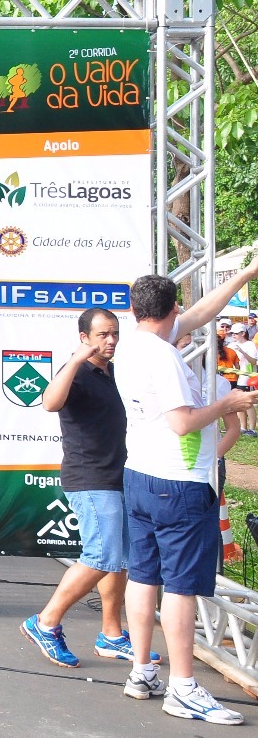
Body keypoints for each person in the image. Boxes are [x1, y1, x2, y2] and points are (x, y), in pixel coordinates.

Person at [116, 265, 258, 724]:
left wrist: (247, 273)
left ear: (135, 309)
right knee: (180, 586)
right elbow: (182, 422)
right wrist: (227, 404)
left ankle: (141, 671)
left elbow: (202, 312)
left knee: (144, 576)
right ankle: (183, 686)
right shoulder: (163, 356)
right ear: (171, 309)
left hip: (140, 474)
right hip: (178, 482)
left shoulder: (132, 343)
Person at [22, 307, 159, 670]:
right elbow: (49, 402)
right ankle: (45, 622)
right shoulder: (77, 371)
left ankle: (111, 635)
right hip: (90, 478)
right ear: (84, 338)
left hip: (122, 475)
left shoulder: (115, 371)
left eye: (114, 333)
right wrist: (76, 359)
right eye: (102, 335)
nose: (111, 340)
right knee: (101, 556)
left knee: (120, 560)